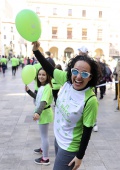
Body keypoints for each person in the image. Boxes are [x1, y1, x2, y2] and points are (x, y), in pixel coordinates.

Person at [32, 41, 101, 170]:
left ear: (91, 77)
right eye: (75, 71)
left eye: (85, 74)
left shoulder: (90, 100)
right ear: (71, 71)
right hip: (58, 139)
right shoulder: (67, 80)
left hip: (70, 147)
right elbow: (49, 69)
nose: (79, 77)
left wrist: (79, 157)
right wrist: (36, 51)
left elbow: (87, 131)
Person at [25, 67, 53, 165]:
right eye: (39, 74)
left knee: (44, 136)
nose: (41, 76)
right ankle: (42, 148)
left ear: (48, 76)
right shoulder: (42, 86)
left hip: (44, 113)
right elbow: (38, 97)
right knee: (42, 136)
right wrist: (29, 91)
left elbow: (44, 101)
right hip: (43, 113)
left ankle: (45, 158)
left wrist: (38, 112)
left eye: (43, 75)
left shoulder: (47, 87)